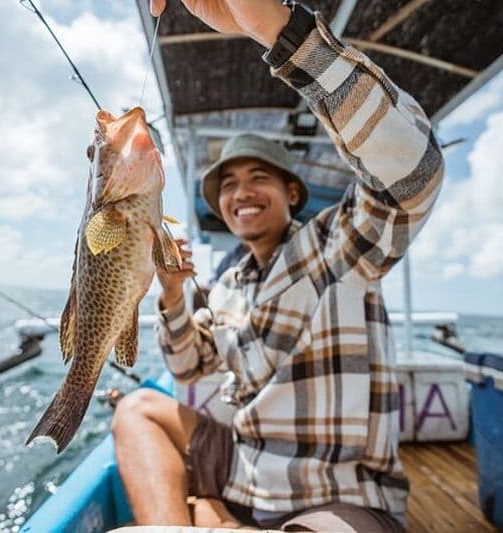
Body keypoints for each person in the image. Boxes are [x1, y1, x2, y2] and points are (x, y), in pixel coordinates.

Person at [112, 0, 444, 530]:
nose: (240, 193)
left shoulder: (339, 243)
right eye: (228, 185)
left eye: (257, 178)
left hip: (338, 494)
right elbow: (187, 367)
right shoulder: (225, 288)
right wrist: (173, 295)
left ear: (293, 191)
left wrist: (278, 30)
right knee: (136, 410)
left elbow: (412, 174)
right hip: (245, 470)